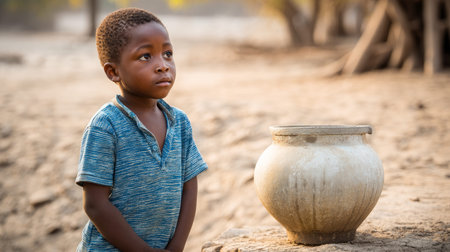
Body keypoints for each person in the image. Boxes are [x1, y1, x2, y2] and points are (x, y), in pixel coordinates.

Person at [75, 8, 208, 251]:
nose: (162, 66)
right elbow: (95, 204)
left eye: (167, 54)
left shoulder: (179, 122)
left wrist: (177, 246)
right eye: (146, 57)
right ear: (113, 72)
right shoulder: (105, 126)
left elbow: (190, 187)